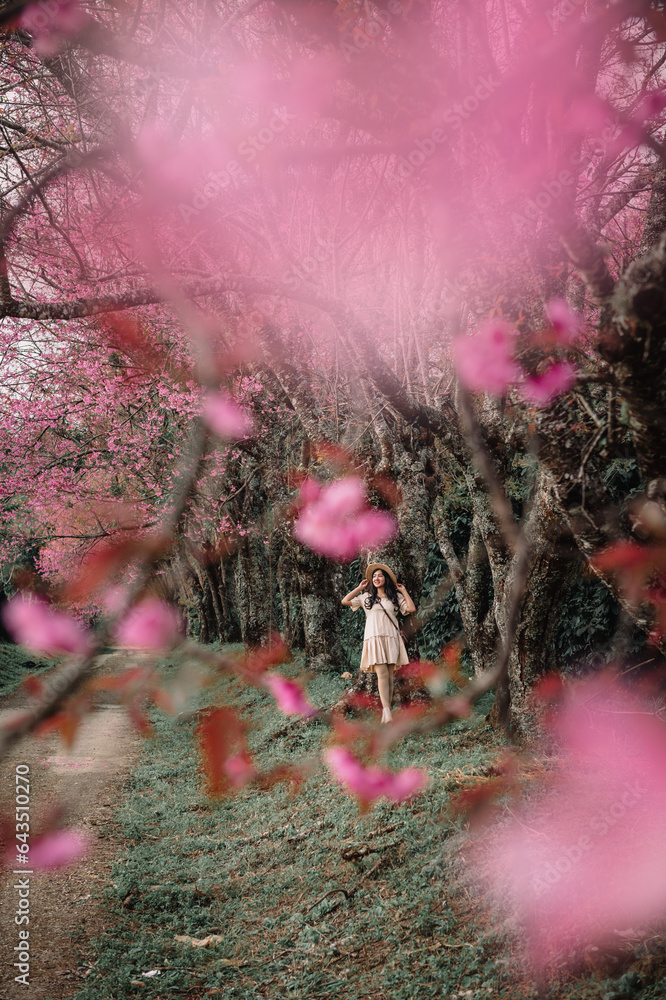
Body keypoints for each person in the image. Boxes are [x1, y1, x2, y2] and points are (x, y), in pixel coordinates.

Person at [341, 563, 416, 723]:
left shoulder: (394, 597)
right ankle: (387, 712)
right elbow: (345, 601)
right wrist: (360, 588)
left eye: (380, 575)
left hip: (391, 638)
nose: (376, 578)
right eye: (374, 576)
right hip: (374, 638)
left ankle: (386, 714)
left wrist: (403, 591)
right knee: (382, 674)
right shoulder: (366, 598)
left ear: (386, 579)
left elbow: (411, 609)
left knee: (389, 677)